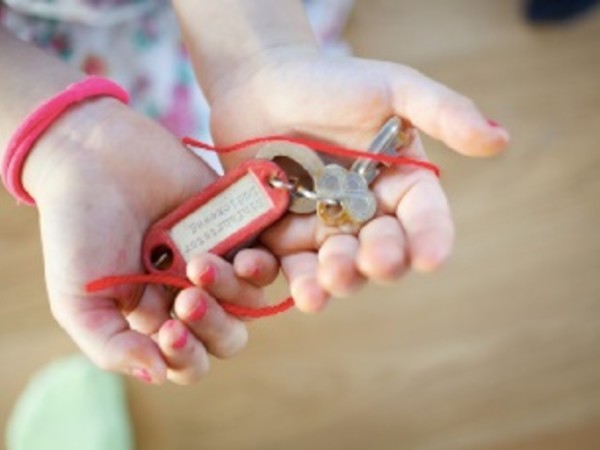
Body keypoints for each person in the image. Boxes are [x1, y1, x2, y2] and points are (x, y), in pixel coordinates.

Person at [0, 0, 509, 386]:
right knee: (177, 153)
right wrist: (61, 137)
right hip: (39, 65)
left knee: (217, 129)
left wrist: (262, 57)